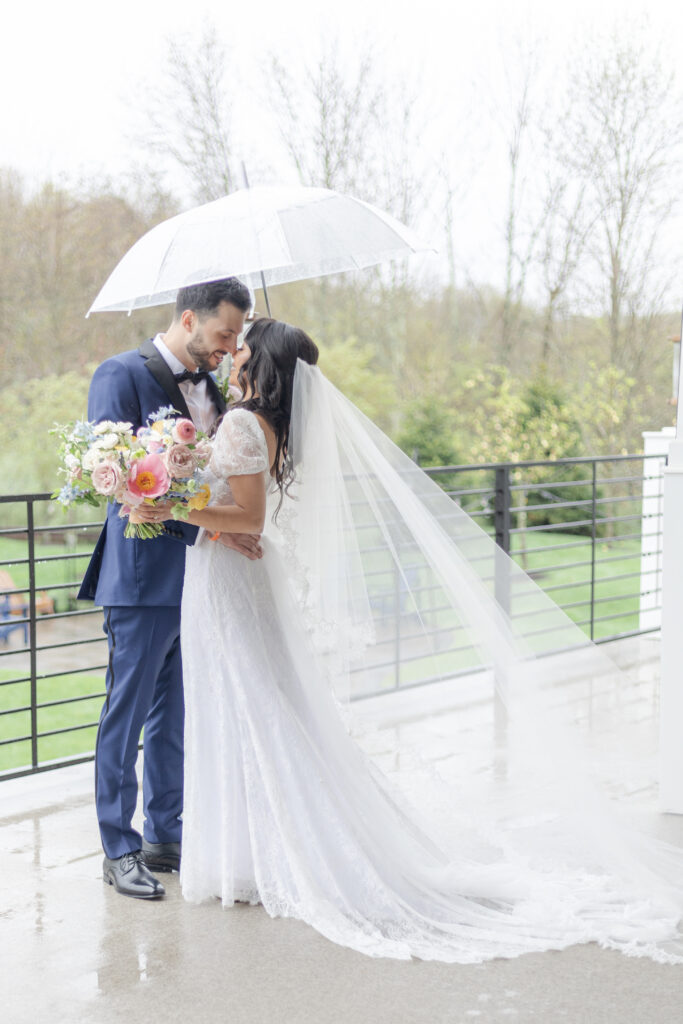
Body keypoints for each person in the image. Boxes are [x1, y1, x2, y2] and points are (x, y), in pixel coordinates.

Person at [138, 318, 683, 961]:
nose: (232, 360)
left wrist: (169, 505)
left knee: (247, 705)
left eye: (243, 351)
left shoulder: (239, 423)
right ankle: (251, 851)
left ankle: (263, 855)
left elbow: (248, 516)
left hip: (229, 581)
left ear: (264, 366)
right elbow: (241, 511)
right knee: (254, 705)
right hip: (234, 569)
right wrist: (200, 505)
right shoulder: (270, 425)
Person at [79, 276, 257, 900]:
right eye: (224, 333)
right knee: (124, 716)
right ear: (189, 319)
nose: (230, 345)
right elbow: (118, 482)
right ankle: (118, 847)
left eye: (236, 336)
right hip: (141, 575)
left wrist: (223, 526)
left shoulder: (214, 387)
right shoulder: (120, 373)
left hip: (201, 578)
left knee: (175, 715)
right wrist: (200, 523)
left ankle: (165, 834)